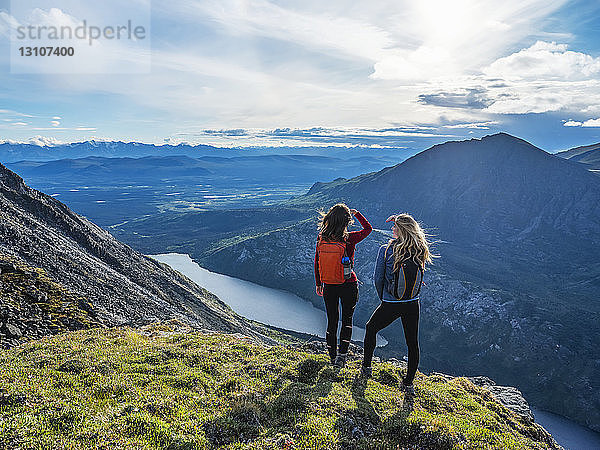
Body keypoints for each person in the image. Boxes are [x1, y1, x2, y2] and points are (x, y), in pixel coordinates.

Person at [361, 213, 436, 394]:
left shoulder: (386, 250)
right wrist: (398, 219)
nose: (392, 229)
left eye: (394, 227)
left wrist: (384, 298)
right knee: (412, 342)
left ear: (400, 230)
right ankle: (409, 384)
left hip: (391, 302)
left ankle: (366, 367)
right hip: (412, 303)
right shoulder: (420, 248)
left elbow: (377, 278)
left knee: (371, 328)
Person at [314, 203, 372, 367]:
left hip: (329, 285)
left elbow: (317, 261)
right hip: (348, 284)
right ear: (347, 221)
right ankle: (342, 357)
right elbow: (368, 229)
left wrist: (319, 283)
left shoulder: (321, 238)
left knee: (332, 321)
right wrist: (358, 214)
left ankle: (332, 356)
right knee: (347, 320)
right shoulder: (349, 238)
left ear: (329, 219)